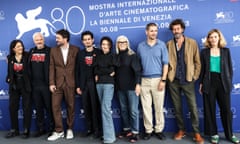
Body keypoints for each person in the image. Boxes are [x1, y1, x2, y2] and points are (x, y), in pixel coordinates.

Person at [166, 19, 204, 144]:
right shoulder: (169, 44)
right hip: (173, 80)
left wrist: (195, 76)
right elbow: (166, 62)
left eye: (178, 28)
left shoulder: (192, 42)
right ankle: (181, 130)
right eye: (174, 29)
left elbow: (198, 61)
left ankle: (196, 132)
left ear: (182, 29)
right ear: (172, 31)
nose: (176, 31)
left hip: (188, 80)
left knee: (193, 107)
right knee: (177, 107)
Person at [199, 29, 240, 144]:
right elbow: (202, 70)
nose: (213, 39)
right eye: (211, 37)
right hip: (209, 82)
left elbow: (230, 69)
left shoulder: (226, 51)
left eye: (215, 37)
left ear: (219, 38)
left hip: (223, 83)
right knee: (210, 109)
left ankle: (230, 134)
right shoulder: (204, 52)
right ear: (208, 39)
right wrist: (201, 83)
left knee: (226, 110)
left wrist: (228, 82)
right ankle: (214, 134)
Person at [137, 23, 168, 140]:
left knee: (159, 107)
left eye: (155, 31)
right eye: (151, 31)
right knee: (146, 107)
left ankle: (159, 129)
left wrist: (163, 80)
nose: (154, 33)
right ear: (146, 32)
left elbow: (166, 64)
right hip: (144, 80)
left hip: (158, 80)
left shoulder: (162, 45)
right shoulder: (140, 46)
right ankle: (148, 130)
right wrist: (138, 82)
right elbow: (138, 65)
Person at [47, 29, 79, 141]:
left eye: (58, 38)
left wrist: (77, 84)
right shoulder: (53, 50)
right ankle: (59, 130)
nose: (56, 40)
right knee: (55, 106)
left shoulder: (76, 49)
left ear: (65, 38)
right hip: (57, 83)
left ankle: (70, 129)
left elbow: (78, 68)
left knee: (71, 106)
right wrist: (51, 83)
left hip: (71, 83)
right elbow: (51, 67)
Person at [75, 31, 102, 138]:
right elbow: (77, 71)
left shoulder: (99, 52)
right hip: (84, 84)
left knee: (96, 107)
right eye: (85, 40)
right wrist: (78, 86)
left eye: (89, 39)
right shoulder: (80, 54)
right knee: (86, 107)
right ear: (82, 42)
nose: (87, 41)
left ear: (93, 40)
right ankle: (89, 128)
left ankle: (97, 129)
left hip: (95, 84)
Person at [115, 35, 141, 143]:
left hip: (132, 87)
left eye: (124, 42)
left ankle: (135, 132)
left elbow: (138, 71)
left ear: (127, 43)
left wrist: (138, 84)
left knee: (133, 111)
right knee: (124, 110)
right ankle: (127, 130)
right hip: (120, 87)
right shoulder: (115, 56)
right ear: (117, 44)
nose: (122, 44)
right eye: (120, 42)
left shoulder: (132, 55)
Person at [5, 40, 32, 139]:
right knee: (12, 108)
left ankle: (26, 130)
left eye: (21, 46)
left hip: (25, 85)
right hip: (14, 85)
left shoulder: (28, 56)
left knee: (27, 108)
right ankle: (14, 130)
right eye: (18, 46)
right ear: (13, 49)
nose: (20, 48)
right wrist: (8, 78)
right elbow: (9, 72)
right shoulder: (9, 58)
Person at [29, 32, 54, 137]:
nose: (39, 41)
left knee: (49, 107)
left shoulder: (50, 51)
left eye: (40, 39)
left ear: (43, 40)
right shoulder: (31, 51)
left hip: (46, 85)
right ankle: (41, 129)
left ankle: (52, 129)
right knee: (38, 108)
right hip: (35, 85)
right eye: (37, 40)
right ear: (34, 41)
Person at [94, 36, 116, 144]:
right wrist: (104, 71)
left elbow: (112, 70)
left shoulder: (113, 56)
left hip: (108, 84)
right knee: (103, 109)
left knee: (105, 108)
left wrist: (101, 71)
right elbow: (96, 69)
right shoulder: (98, 56)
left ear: (110, 46)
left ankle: (110, 137)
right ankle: (107, 134)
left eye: (107, 44)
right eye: (103, 44)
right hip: (99, 85)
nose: (105, 46)